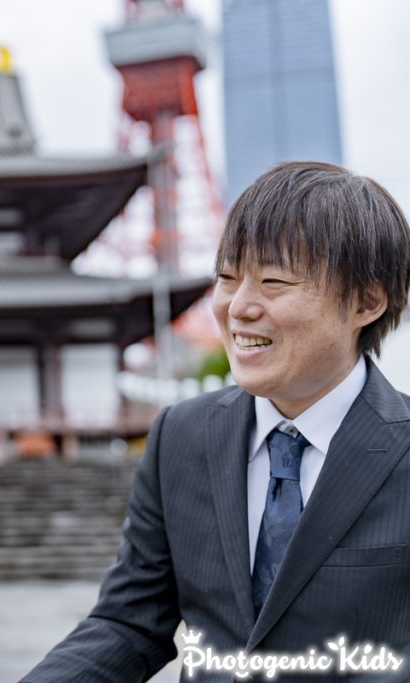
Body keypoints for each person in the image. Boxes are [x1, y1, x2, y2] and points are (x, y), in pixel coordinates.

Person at [21, 161, 410, 682]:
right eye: (227, 278)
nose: (236, 307)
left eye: (274, 281)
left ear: (367, 301)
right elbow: (130, 624)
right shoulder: (180, 435)